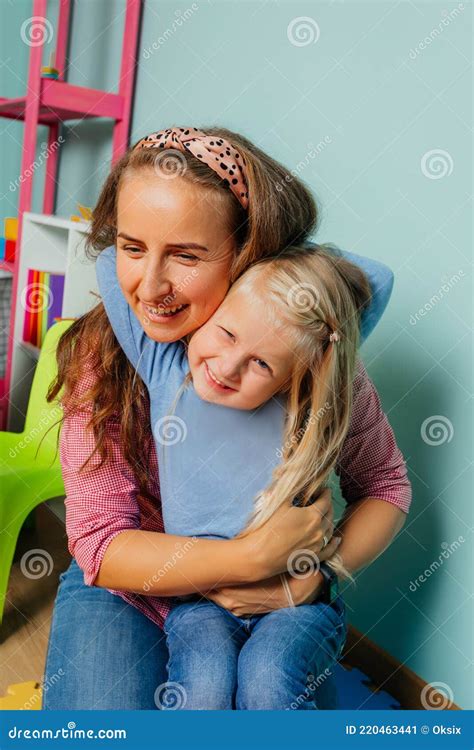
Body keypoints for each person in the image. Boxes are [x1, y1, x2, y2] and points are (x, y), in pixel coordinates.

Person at [43, 127, 411, 710]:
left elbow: (385, 485)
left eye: (186, 255)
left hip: (271, 602)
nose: (151, 286)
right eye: (133, 247)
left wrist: (318, 573)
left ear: (246, 254)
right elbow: (103, 548)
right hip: (130, 583)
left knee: (263, 696)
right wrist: (252, 559)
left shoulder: (309, 361)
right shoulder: (107, 356)